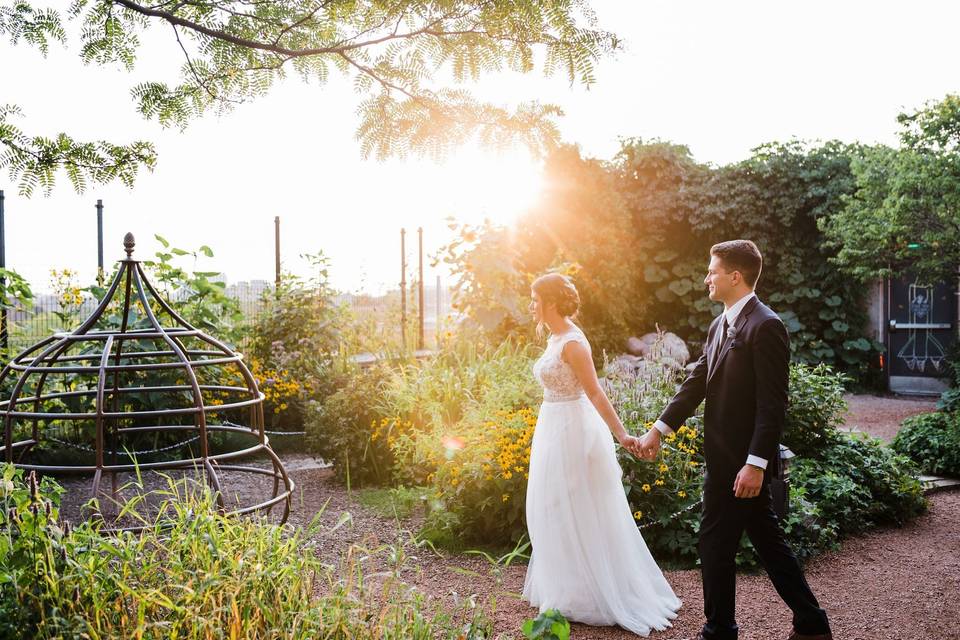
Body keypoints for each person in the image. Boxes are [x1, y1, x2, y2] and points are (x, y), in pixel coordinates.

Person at [639, 240, 832, 640]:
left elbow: (772, 405)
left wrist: (756, 464)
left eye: (712, 271)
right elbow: (695, 384)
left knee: (715, 544)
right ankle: (812, 623)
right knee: (767, 543)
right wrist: (658, 429)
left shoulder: (766, 326)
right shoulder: (718, 325)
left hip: (743, 465)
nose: (706, 278)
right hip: (723, 460)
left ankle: (719, 630)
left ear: (735, 276)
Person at [522, 272, 681, 636]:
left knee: (577, 505)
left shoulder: (574, 343)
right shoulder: (554, 337)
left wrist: (622, 434)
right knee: (554, 507)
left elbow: (594, 393)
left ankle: (595, 592)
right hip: (552, 426)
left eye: (534, 299)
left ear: (549, 302)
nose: (530, 306)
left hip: (573, 432)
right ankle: (568, 587)